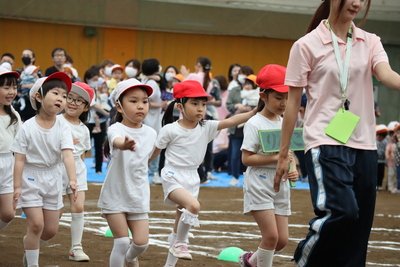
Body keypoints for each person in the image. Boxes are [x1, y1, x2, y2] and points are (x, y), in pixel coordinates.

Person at [274, 1, 400, 266]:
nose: (357, 3)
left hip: (363, 144)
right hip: (325, 141)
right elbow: (293, 105)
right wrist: (284, 153)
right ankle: (304, 261)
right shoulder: (306, 45)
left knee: (359, 226)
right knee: (342, 210)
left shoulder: (370, 41)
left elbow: (386, 75)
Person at [149, 80, 256, 267]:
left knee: (180, 218)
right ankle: (181, 243)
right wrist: (141, 166)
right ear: (181, 107)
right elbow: (154, 152)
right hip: (173, 175)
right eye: (195, 103)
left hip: (192, 177)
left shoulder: (206, 127)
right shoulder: (170, 130)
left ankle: (170, 263)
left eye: (203, 104)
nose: (200, 108)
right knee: (193, 206)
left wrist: (254, 113)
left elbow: (231, 121)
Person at [11, 72, 77, 267]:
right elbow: (20, 160)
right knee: (36, 224)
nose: (61, 99)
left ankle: (31, 246)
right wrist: (16, 187)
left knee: (50, 230)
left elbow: (67, 155)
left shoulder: (63, 127)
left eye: (64, 96)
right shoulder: (27, 127)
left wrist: (72, 179)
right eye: (55, 93)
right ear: (38, 97)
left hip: (54, 178)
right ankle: (33, 263)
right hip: (31, 177)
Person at [239, 64, 298, 267]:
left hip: (280, 184)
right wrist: (276, 158)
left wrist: (293, 168)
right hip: (260, 182)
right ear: (263, 96)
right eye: (278, 97)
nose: (284, 103)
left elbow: (290, 152)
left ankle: (250, 261)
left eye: (287, 97)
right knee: (271, 237)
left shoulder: (285, 121)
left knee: (281, 240)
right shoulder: (254, 123)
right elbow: (246, 159)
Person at [98, 78, 156, 267]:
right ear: (119, 107)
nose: (141, 106)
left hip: (138, 194)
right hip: (114, 194)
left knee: (141, 243)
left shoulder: (151, 133)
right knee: (122, 242)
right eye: (133, 101)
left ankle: (130, 259)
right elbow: (116, 140)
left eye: (144, 101)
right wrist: (124, 144)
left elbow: (149, 157)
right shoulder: (116, 128)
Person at [59, 81, 95, 262]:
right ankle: (33, 244)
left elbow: (83, 155)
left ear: (86, 106)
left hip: (77, 170)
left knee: (78, 206)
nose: (72, 103)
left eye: (78, 101)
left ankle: (76, 247)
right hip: (56, 169)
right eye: (70, 98)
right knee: (53, 213)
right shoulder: (56, 121)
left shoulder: (83, 129)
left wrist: (80, 174)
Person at [226, 65, 255, 186]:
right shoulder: (235, 90)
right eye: (242, 74)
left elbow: (262, 106)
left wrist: (251, 108)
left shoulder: (258, 91)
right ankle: (234, 176)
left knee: (251, 153)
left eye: (246, 74)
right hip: (236, 126)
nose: (244, 77)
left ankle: (251, 178)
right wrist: (237, 107)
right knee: (234, 154)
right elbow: (228, 105)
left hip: (251, 126)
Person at [0, 66, 21, 230]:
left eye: (14, 87)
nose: (11, 92)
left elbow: (22, 139)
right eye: (6, 87)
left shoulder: (13, 113)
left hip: (8, 164)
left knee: (8, 213)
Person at [142, 58, 166, 184]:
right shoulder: (151, 83)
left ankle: (152, 172)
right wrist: (161, 105)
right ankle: (153, 173)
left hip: (153, 120)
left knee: (153, 146)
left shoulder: (148, 81)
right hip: (150, 121)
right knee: (154, 146)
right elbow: (146, 100)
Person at [84, 66, 109, 174]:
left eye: (96, 79)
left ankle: (98, 169)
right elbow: (93, 104)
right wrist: (106, 113)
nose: (96, 81)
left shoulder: (97, 89)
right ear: (88, 79)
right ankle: (78, 166)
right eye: (94, 79)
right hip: (88, 121)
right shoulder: (85, 89)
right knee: (84, 146)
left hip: (100, 121)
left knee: (99, 146)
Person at [386, 121, 399, 193]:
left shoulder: (396, 144)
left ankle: (394, 187)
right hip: (391, 162)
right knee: (391, 174)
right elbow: (387, 153)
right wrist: (388, 158)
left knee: (395, 175)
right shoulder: (389, 144)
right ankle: (390, 187)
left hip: (396, 162)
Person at [376, 124, 388, 190]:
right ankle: (376, 185)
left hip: (382, 161)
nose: (378, 137)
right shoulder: (376, 141)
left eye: (379, 135)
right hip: (376, 160)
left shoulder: (385, 142)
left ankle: (380, 185)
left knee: (381, 173)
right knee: (376, 173)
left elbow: (385, 151)